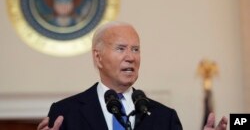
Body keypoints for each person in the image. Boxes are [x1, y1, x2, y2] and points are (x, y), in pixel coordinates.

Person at [37, 21, 228, 130]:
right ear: (98, 57)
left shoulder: (164, 117)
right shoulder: (66, 113)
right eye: (121, 49)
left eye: (135, 49)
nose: (131, 57)